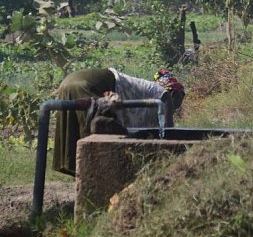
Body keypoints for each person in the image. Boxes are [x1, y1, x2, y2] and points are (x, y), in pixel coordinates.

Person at [52, 67, 185, 176]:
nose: (177, 107)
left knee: (74, 134)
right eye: (180, 98)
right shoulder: (164, 95)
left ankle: (84, 186)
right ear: (176, 94)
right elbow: (168, 134)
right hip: (92, 84)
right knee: (95, 140)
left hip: (69, 81)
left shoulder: (145, 94)